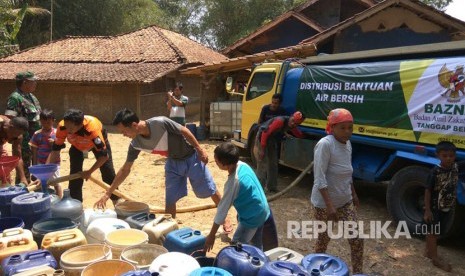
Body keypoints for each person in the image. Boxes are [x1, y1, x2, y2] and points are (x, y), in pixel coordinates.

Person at [93, 108, 232, 232]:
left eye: (124, 131)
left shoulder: (160, 123)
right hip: (173, 163)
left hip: (191, 157)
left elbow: (185, 131)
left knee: (209, 189)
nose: (123, 135)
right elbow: (125, 170)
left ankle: (224, 218)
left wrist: (200, 149)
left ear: (134, 125)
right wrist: (108, 193)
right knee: (170, 199)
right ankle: (169, 230)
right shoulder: (135, 144)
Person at [310, 108, 363, 274]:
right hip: (324, 204)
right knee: (323, 240)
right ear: (332, 128)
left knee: (356, 238)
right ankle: (315, 270)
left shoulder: (348, 144)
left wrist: (353, 194)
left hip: (345, 201)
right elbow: (319, 178)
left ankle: (358, 272)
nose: (347, 132)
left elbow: (348, 170)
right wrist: (330, 206)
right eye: (343, 127)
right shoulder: (325, 144)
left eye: (350, 127)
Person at [204, 142, 275, 251]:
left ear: (225, 165)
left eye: (217, 161)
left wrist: (212, 235)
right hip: (262, 209)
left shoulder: (234, 183)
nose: (215, 162)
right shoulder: (243, 165)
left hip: (253, 216)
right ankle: (259, 259)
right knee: (256, 243)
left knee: (236, 246)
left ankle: (247, 264)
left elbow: (222, 211)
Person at [47, 109, 119, 204]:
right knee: (75, 174)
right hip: (77, 145)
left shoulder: (92, 130)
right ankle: (75, 203)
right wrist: (47, 173)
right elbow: (55, 150)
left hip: (95, 145)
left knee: (108, 172)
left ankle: (116, 201)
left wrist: (89, 172)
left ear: (80, 125)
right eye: (67, 127)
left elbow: (104, 156)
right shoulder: (63, 126)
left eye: (71, 129)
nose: (68, 130)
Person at [423, 141, 463, 272]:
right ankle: (435, 258)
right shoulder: (435, 172)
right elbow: (428, 191)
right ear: (438, 156)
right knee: (433, 232)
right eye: (444, 156)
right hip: (435, 208)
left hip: (448, 206)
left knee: (437, 231)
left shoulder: (455, 167)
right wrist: (427, 210)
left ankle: (428, 251)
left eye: (451, 156)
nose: (448, 158)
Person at [254, 111, 306, 192]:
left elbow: (298, 134)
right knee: (262, 164)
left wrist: (304, 138)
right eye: (293, 121)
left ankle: (272, 187)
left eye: (296, 124)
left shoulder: (293, 125)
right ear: (291, 116)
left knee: (273, 163)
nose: (293, 124)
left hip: (271, 139)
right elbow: (265, 133)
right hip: (262, 138)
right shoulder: (279, 121)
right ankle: (259, 189)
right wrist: (262, 150)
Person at [5, 71, 42, 183]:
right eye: (33, 81)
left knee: (38, 168)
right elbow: (10, 118)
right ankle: (22, 192)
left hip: (36, 140)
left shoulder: (31, 96)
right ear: (25, 82)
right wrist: (17, 139)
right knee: (23, 169)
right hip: (24, 141)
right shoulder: (15, 98)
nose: (35, 83)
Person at [29, 109, 62, 198]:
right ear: (40, 121)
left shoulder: (57, 133)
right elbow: (34, 150)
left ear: (53, 121)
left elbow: (60, 147)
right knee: (42, 183)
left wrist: (54, 144)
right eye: (43, 123)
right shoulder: (37, 134)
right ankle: (44, 199)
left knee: (56, 182)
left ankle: (60, 200)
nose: (46, 125)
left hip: (54, 164)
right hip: (41, 163)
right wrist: (35, 166)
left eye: (48, 123)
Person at [0, 115, 29, 185]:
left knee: (4, 177)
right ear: (10, 127)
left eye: (20, 134)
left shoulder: (17, 135)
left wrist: (22, 177)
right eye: (14, 134)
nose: (16, 137)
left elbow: (18, 157)